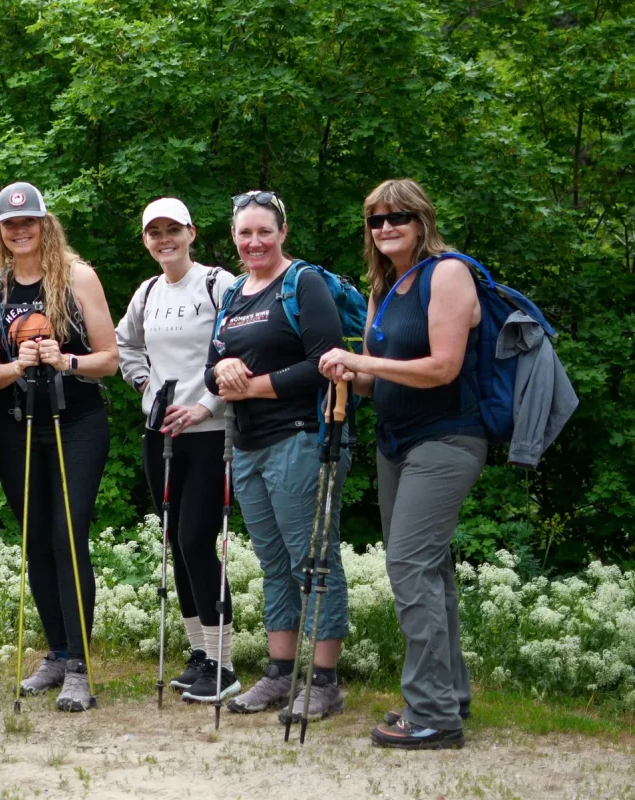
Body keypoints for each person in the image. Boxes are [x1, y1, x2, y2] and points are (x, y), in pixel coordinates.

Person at [319, 179, 484, 750]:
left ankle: (432, 714)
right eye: (376, 220)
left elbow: (442, 367)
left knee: (409, 567)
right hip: (396, 442)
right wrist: (348, 373)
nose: (386, 227)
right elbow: (375, 379)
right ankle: (447, 697)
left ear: (422, 220)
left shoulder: (448, 274)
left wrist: (359, 357)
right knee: (429, 572)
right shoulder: (385, 286)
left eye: (398, 217)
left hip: (447, 438)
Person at [205, 191, 351, 723]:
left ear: (282, 231)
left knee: (312, 561)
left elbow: (326, 363)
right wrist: (221, 375)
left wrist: (254, 385)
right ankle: (278, 675)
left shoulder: (303, 283)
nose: (254, 241)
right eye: (245, 233)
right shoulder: (235, 294)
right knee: (274, 566)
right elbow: (212, 368)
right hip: (247, 447)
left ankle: (325, 683)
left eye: (264, 231)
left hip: (301, 439)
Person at [0, 182, 119, 713]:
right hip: (16, 424)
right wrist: (20, 365)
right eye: (10, 224)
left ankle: (79, 664)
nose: (20, 230)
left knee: (67, 534)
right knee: (35, 540)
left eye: (29, 221)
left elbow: (111, 358)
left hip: (75, 419)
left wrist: (66, 361)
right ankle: (56, 653)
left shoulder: (77, 277)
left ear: (45, 224)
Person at [115, 198, 238, 703]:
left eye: (173, 230)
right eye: (154, 232)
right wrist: (146, 387)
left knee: (194, 541)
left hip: (211, 431)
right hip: (161, 431)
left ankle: (225, 665)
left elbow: (241, 351)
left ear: (191, 231)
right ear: (145, 239)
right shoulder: (146, 292)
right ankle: (200, 654)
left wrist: (206, 406)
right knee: (175, 543)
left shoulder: (218, 284)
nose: (164, 239)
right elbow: (126, 346)